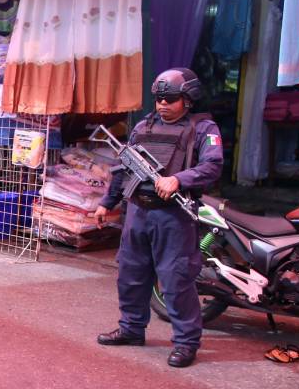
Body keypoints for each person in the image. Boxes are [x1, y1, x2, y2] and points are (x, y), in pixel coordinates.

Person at [94, 68, 224, 368]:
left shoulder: (203, 129)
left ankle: (186, 343)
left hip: (174, 217)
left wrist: (179, 179)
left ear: (188, 99)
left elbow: (213, 166)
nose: (163, 104)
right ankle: (131, 329)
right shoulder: (143, 127)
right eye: (159, 99)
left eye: (170, 99)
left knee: (177, 282)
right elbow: (124, 167)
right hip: (138, 211)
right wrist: (107, 203)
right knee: (130, 275)